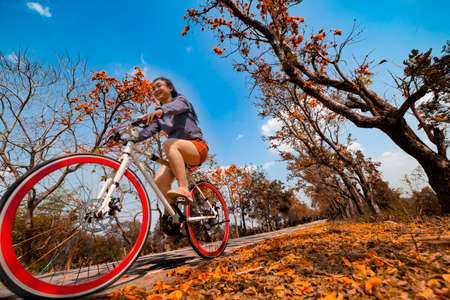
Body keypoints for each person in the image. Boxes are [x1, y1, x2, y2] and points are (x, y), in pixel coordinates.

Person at [136, 77, 209, 206]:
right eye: (153, 89)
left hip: (197, 148)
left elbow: (175, 107)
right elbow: (147, 132)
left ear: (170, 88)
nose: (155, 90)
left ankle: (184, 189)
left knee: (169, 143)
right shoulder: (160, 117)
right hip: (176, 154)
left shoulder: (181, 101)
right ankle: (178, 215)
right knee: (159, 181)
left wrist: (160, 110)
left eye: (159, 86)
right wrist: (127, 139)